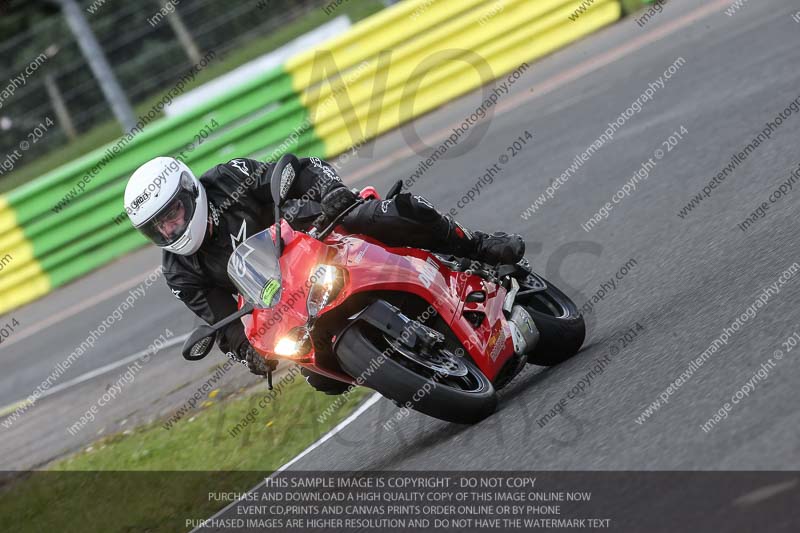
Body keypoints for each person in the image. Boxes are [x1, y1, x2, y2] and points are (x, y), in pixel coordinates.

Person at [124, 155, 524, 393]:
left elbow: (295, 171)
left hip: (319, 235)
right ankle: (414, 367)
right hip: (288, 301)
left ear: (190, 192)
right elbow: (222, 319)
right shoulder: (179, 272)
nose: (170, 230)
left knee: (393, 213)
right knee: (323, 379)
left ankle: (478, 245)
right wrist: (248, 352)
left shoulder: (227, 178)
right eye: (158, 227)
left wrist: (332, 194)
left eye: (173, 214)